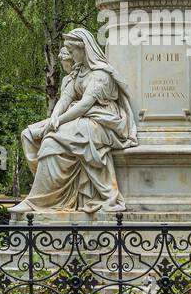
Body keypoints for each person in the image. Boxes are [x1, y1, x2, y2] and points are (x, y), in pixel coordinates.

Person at [15, 28, 139, 214]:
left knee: (50, 141)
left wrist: (58, 122)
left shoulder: (101, 75)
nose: (70, 56)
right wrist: (54, 117)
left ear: (84, 49)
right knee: (29, 134)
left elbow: (84, 105)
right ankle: (48, 195)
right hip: (83, 118)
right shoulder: (79, 72)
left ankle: (40, 201)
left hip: (104, 122)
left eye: (72, 51)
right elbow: (65, 98)